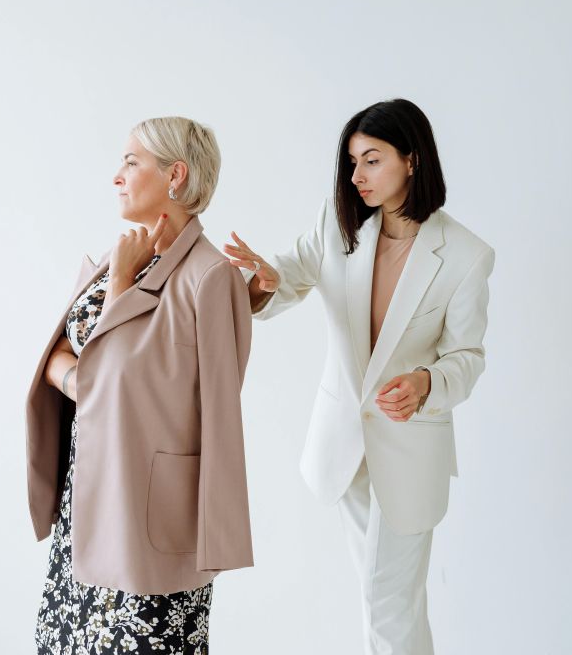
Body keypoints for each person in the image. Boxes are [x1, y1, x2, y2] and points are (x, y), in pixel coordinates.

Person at [225, 98, 495, 654]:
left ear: (412, 160)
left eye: (372, 160)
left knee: (385, 599)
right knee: (391, 601)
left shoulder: (466, 255)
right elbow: (289, 275)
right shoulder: (338, 222)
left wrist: (425, 383)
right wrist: (265, 281)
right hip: (344, 447)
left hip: (411, 450)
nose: (357, 176)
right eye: (353, 162)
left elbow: (467, 356)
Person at [26, 117, 253, 654]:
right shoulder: (120, 257)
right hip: (86, 505)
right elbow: (64, 359)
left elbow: (218, 412)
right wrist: (79, 375)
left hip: (150, 521)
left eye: (131, 162)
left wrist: (118, 292)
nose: (117, 176)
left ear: (176, 175)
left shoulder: (209, 276)